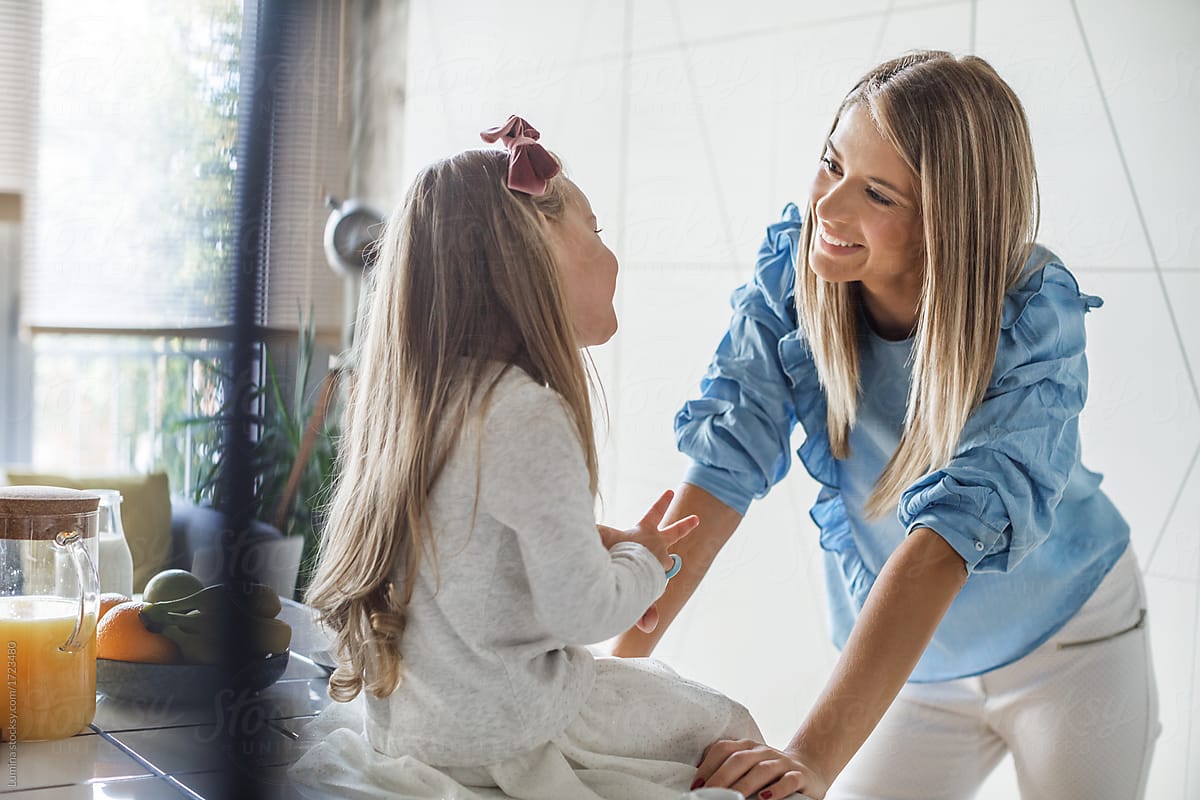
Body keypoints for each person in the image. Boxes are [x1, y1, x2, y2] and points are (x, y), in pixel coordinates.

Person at [613, 51, 1160, 800]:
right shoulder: (793, 273)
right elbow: (719, 474)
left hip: (1070, 650)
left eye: (876, 193)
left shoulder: (1029, 311)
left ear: (948, 218)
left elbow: (944, 543)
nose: (829, 210)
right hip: (918, 669)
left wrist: (808, 755)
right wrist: (607, 677)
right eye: (829, 165)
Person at [289, 116, 762, 800]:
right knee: (730, 729)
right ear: (536, 248)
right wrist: (645, 563)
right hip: (508, 737)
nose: (611, 253)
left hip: (419, 731)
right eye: (596, 230)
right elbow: (585, 612)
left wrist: (599, 544)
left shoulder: (420, 404)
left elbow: (473, 558)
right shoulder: (525, 411)